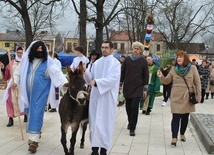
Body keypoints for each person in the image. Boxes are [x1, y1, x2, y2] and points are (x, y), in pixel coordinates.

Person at [12, 41, 68, 153]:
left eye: (42, 49)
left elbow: (57, 74)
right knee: (30, 113)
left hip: (41, 93)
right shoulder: (27, 61)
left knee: (36, 113)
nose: (40, 51)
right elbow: (17, 73)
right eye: (38, 49)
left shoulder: (48, 63)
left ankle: (33, 142)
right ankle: (36, 133)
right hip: (27, 93)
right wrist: (15, 82)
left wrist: (65, 83)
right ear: (33, 50)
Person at [157, 50, 201, 146]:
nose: (179, 58)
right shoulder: (174, 69)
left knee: (185, 117)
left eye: (181, 57)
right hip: (176, 96)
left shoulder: (192, 68)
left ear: (185, 58)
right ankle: (174, 137)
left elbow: (197, 83)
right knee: (176, 117)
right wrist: (161, 77)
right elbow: (167, 81)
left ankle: (182, 134)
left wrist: (198, 95)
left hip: (187, 96)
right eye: (178, 57)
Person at [84, 41, 121, 155]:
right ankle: (94, 149)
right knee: (94, 122)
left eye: (106, 47)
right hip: (96, 96)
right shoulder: (97, 63)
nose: (104, 49)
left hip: (108, 97)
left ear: (111, 49)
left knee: (105, 123)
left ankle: (104, 149)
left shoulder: (115, 63)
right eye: (102, 47)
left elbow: (112, 79)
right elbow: (91, 78)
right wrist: (84, 73)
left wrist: (97, 82)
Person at [120, 41, 149, 136]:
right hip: (128, 86)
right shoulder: (127, 60)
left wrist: (145, 88)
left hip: (138, 87)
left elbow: (146, 75)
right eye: (134, 48)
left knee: (134, 107)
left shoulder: (143, 61)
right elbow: (122, 73)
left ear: (141, 50)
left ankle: (132, 127)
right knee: (128, 107)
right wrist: (120, 84)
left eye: (138, 49)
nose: (135, 50)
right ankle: (130, 121)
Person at [1, 47, 27, 127]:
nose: (19, 54)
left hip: (22, 86)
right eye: (18, 52)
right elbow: (6, 76)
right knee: (10, 102)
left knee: (23, 100)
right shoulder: (11, 63)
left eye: (21, 53)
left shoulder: (26, 63)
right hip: (12, 86)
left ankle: (25, 115)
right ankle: (10, 118)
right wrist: (3, 69)